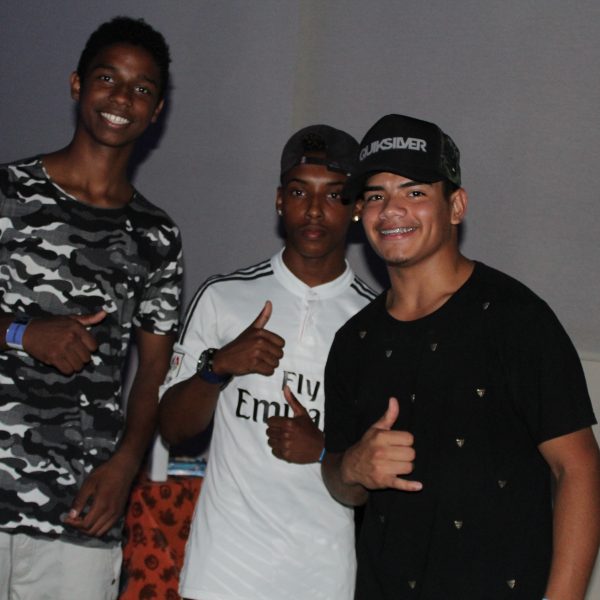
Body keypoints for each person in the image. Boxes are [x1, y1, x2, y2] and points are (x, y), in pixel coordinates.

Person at [320, 114, 600, 599]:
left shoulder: (516, 319)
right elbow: (339, 478)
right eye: (375, 195)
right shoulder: (353, 340)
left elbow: (578, 469)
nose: (392, 209)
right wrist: (351, 468)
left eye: (414, 192)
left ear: (456, 206)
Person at [0, 17, 182, 600]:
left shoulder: (157, 236)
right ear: (78, 84)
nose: (122, 98)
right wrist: (22, 332)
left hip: (81, 509)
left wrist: (126, 465)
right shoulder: (8, 193)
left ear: (156, 111)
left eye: (142, 88)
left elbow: (154, 372)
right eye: (108, 78)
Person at [159, 124, 377, 600]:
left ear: (358, 208)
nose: (314, 210)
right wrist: (218, 367)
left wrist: (324, 451)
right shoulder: (223, 296)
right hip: (223, 573)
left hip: (322, 577)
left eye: (334, 195)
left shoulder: (376, 322)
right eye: (299, 192)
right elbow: (172, 428)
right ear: (280, 201)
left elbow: (370, 484)